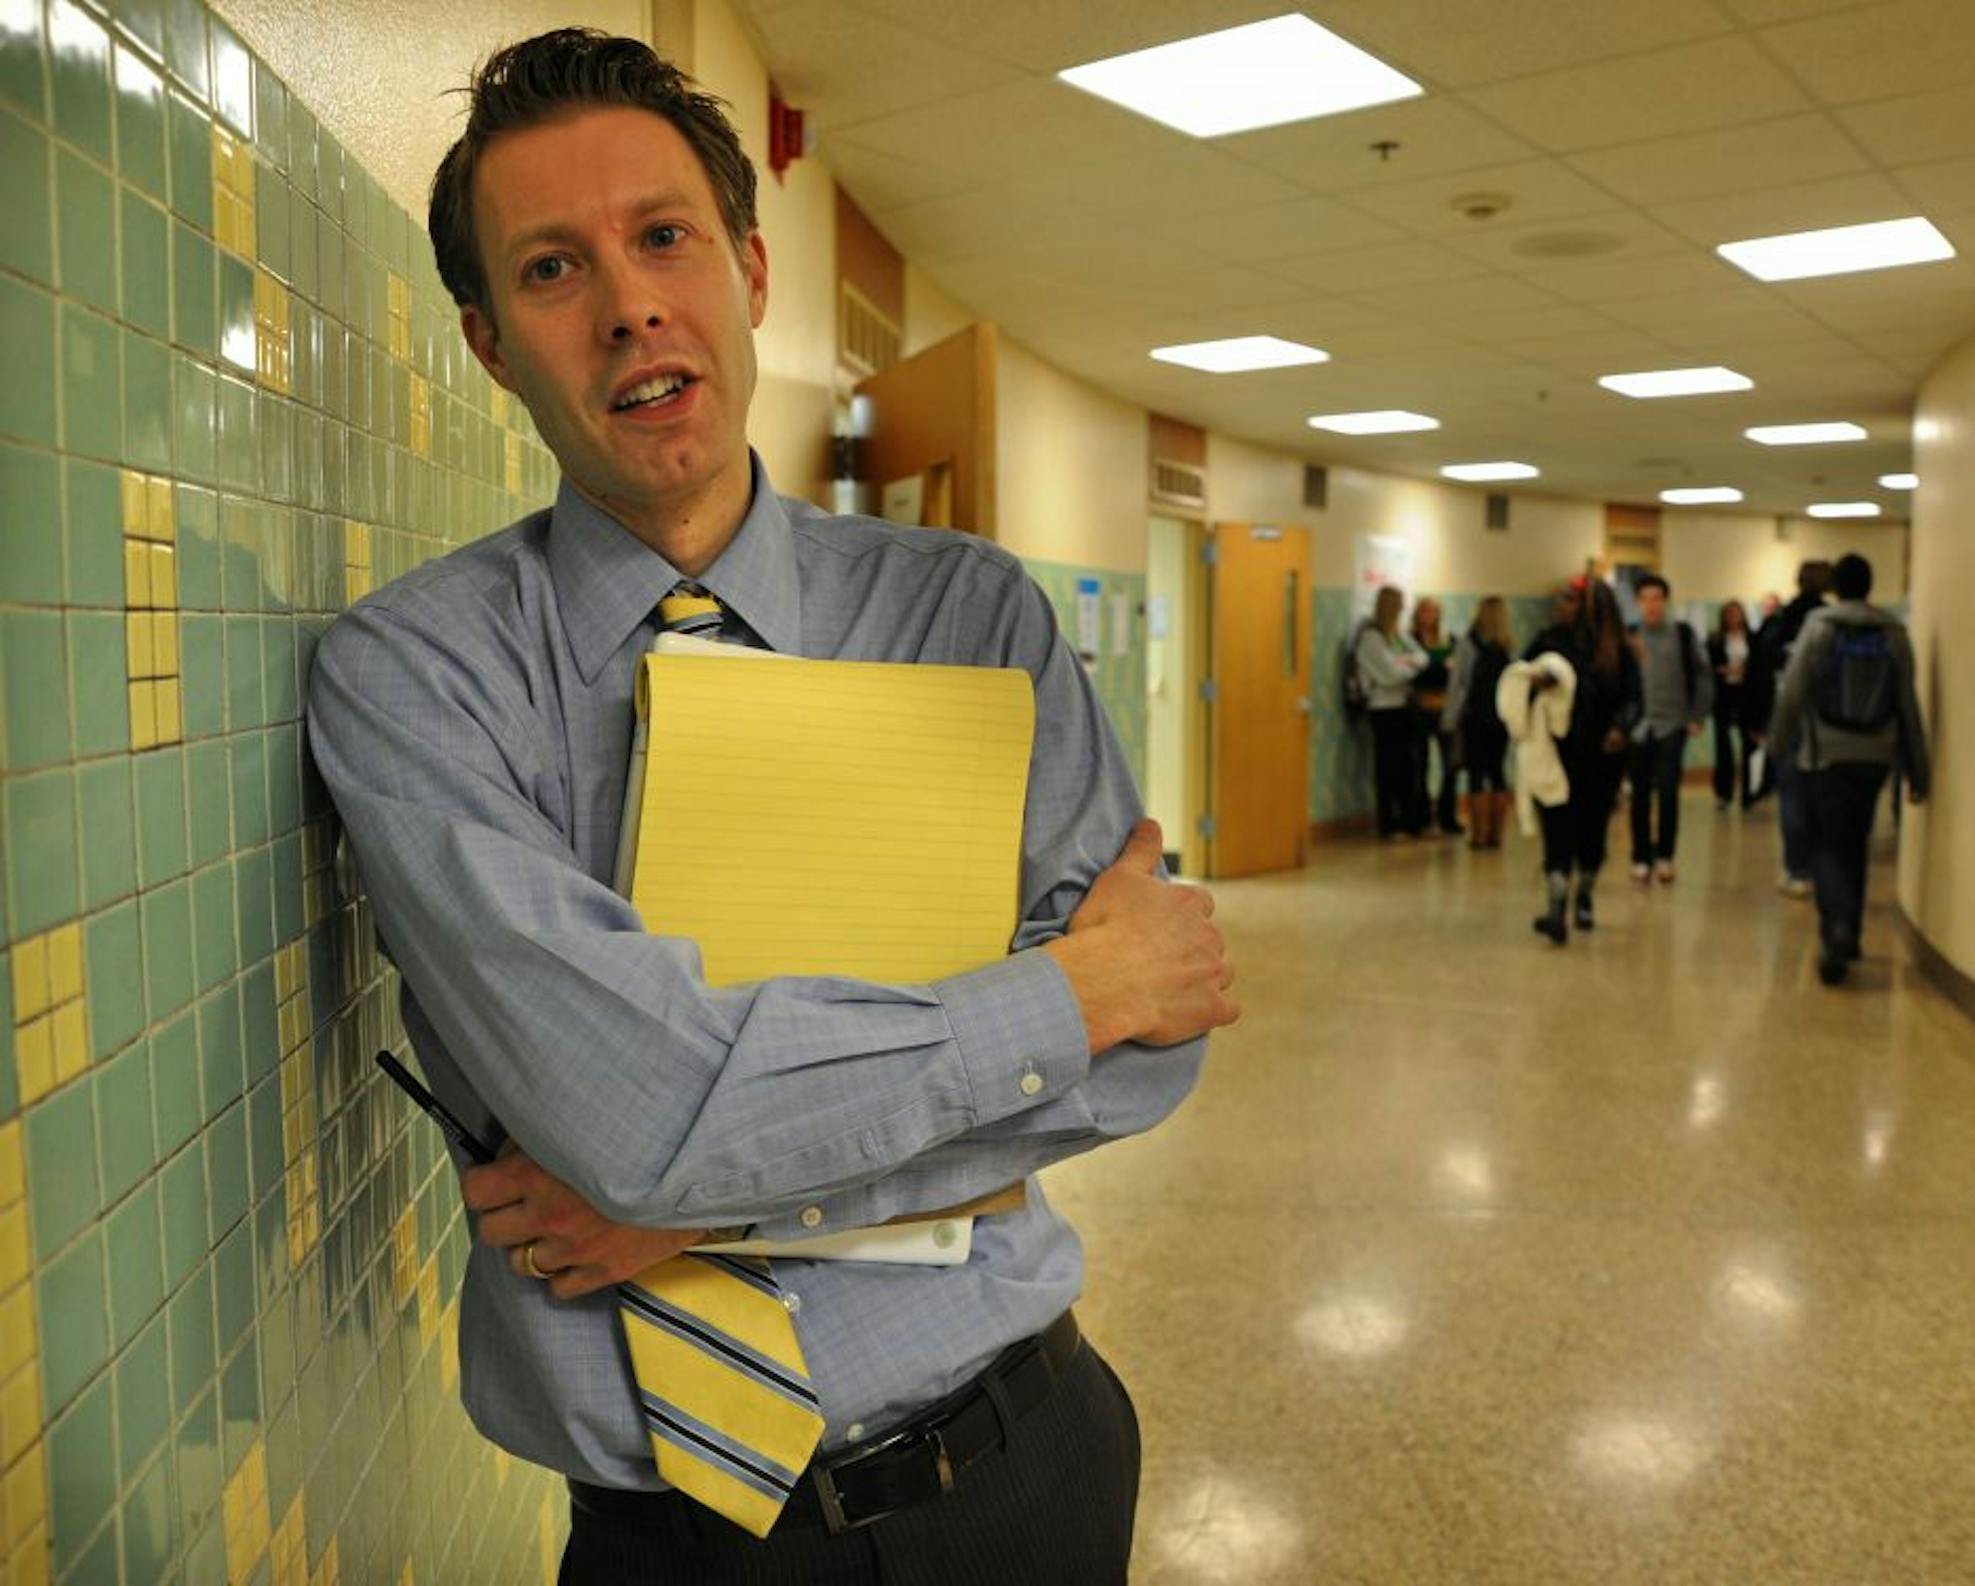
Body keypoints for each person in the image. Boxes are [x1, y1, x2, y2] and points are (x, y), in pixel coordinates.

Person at [305, 31, 1237, 1582]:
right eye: (552, 269)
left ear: (748, 268)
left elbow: (1151, 1054)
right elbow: (639, 1122)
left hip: (1029, 1459)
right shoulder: (414, 677)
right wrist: (1060, 996)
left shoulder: (971, 618)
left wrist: (702, 1208)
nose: (628, 307)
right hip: (686, 1544)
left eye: (664, 238)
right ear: (486, 344)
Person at [1769, 554, 1930, 985]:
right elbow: (1907, 705)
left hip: (1826, 756)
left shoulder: (1821, 627)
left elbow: (1793, 692)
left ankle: (1835, 930)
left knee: (1827, 844)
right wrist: (1919, 771)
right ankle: (1852, 931)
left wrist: (1778, 745)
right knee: (1854, 842)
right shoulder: (1894, 632)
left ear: (1836, 587)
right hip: (1875, 758)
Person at [1522, 578, 1642, 943]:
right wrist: (1536, 685)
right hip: (1558, 752)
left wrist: (1620, 728)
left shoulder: (1619, 651)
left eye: (1573, 599)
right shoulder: (1550, 640)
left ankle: (1584, 894)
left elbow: (1634, 698)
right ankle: (1557, 905)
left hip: (1602, 756)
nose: (1564, 605)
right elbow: (1520, 678)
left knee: (1592, 830)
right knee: (1557, 825)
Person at [1748, 560, 1833, 895]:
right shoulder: (1832, 623)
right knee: (1822, 797)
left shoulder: (1779, 622)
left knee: (1792, 795)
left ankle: (1797, 870)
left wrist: (1757, 720)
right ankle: (1821, 867)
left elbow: (1760, 673)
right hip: (1827, 724)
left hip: (1785, 718)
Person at [1625, 574, 1711, 884]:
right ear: (1638, 603)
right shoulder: (1629, 637)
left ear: (1666, 601)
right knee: (1639, 795)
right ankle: (1640, 856)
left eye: (1657, 599)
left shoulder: (1682, 635)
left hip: (1672, 725)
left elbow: (1703, 677)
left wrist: (1698, 715)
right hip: (1638, 727)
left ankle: (1665, 856)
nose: (1652, 605)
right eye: (1645, 599)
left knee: (1669, 793)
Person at [1357, 585, 1431, 841]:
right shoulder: (1371, 637)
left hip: (1402, 707)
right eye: (1398, 603)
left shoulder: (1397, 636)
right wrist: (1405, 665)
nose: (1402, 608)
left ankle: (1410, 821)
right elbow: (1389, 675)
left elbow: (1422, 658)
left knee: (1407, 767)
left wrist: (1406, 664)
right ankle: (1389, 824)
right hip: (1383, 710)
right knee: (1387, 768)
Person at [1447, 596, 1514, 849]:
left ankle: (1478, 834)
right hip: (1501, 719)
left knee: (1476, 775)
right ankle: (1496, 834)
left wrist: (1450, 718)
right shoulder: (1507, 647)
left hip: (1474, 718)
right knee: (1498, 774)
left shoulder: (1468, 644)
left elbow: (1458, 684)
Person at [1409, 597, 1462, 836]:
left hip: (1445, 706)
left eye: (1433, 612)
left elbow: (1456, 671)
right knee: (1419, 763)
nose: (1428, 617)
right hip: (1420, 707)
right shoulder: (1410, 641)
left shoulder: (1449, 640)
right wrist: (1438, 667)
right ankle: (1421, 816)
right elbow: (1415, 672)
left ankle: (1447, 815)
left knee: (1451, 763)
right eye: (1424, 612)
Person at [1705, 600, 1754, 810]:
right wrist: (1723, 670)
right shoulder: (1715, 639)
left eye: (1737, 613)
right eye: (1730, 614)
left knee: (1748, 745)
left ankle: (1748, 792)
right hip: (1723, 696)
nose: (1734, 617)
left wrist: (1745, 672)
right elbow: (1708, 667)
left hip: (1745, 696)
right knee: (1723, 747)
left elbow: (1758, 665)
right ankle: (1723, 793)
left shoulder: (1752, 638)